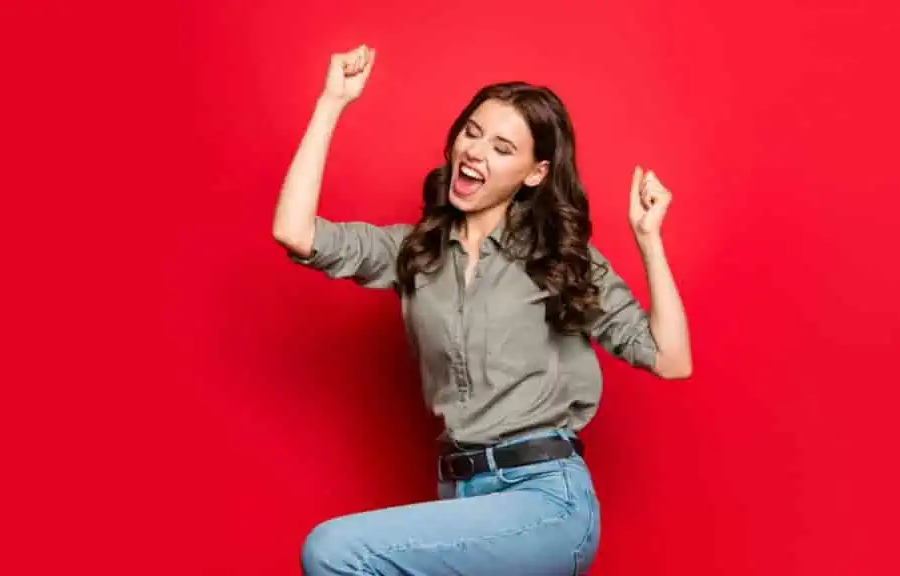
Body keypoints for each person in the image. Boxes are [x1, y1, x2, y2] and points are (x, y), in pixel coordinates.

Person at [273, 44, 692, 576]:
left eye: (501, 147)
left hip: (545, 499)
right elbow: (294, 231)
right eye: (471, 132)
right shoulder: (416, 254)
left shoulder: (559, 259)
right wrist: (332, 102)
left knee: (334, 550)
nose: (475, 152)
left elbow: (671, 359)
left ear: (534, 173)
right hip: (462, 496)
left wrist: (649, 241)